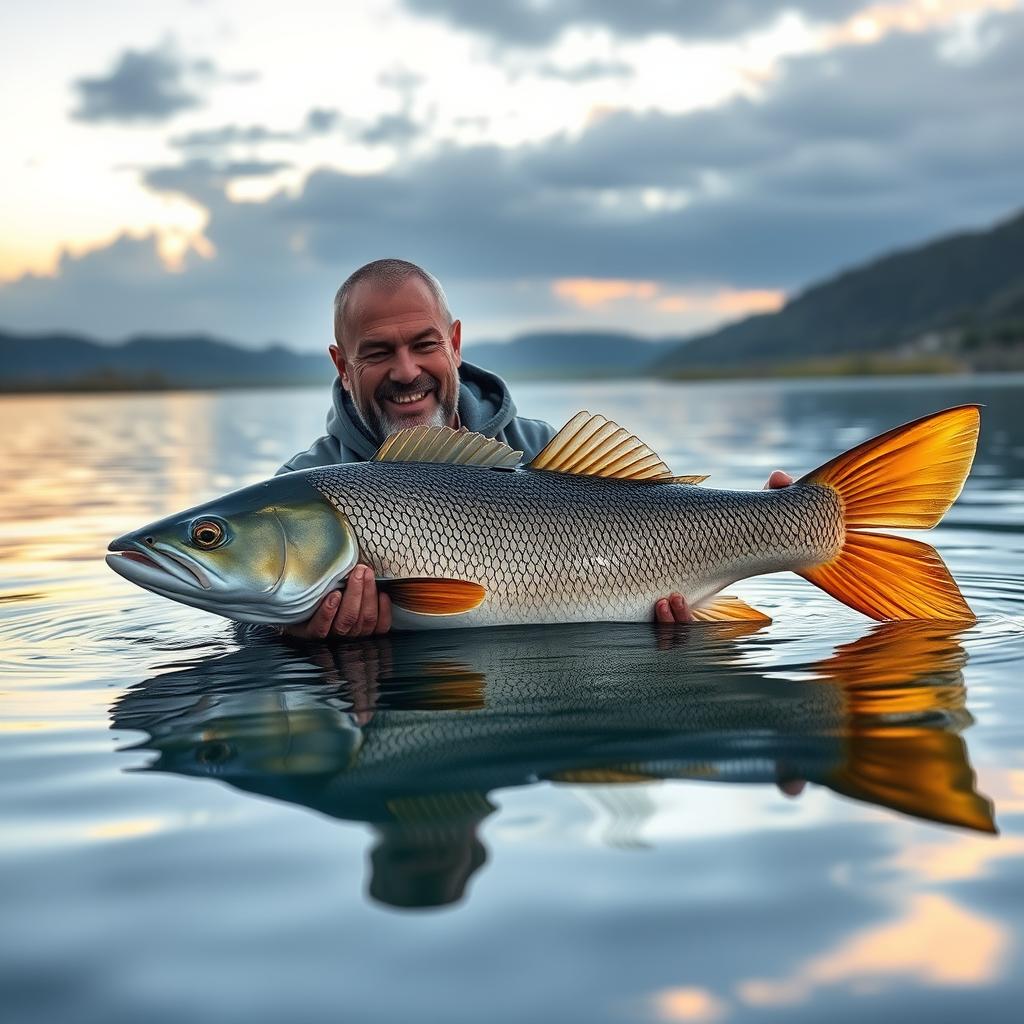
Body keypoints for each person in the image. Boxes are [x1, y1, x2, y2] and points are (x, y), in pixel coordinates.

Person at [278, 259, 792, 639]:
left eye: (425, 344)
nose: (407, 371)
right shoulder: (299, 488)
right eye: (378, 353)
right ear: (342, 366)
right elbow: (245, 615)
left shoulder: (543, 452)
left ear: (454, 344)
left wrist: (774, 521)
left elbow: (663, 519)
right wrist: (286, 632)